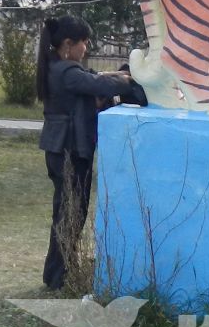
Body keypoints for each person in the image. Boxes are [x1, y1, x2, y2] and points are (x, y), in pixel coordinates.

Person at [36, 15, 146, 290]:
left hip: (61, 148)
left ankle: (56, 272)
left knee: (67, 210)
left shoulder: (57, 68)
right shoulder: (67, 72)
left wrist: (116, 75)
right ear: (68, 45)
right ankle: (59, 276)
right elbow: (101, 85)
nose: (86, 48)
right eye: (83, 42)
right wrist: (129, 78)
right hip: (70, 150)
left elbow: (95, 78)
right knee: (71, 213)